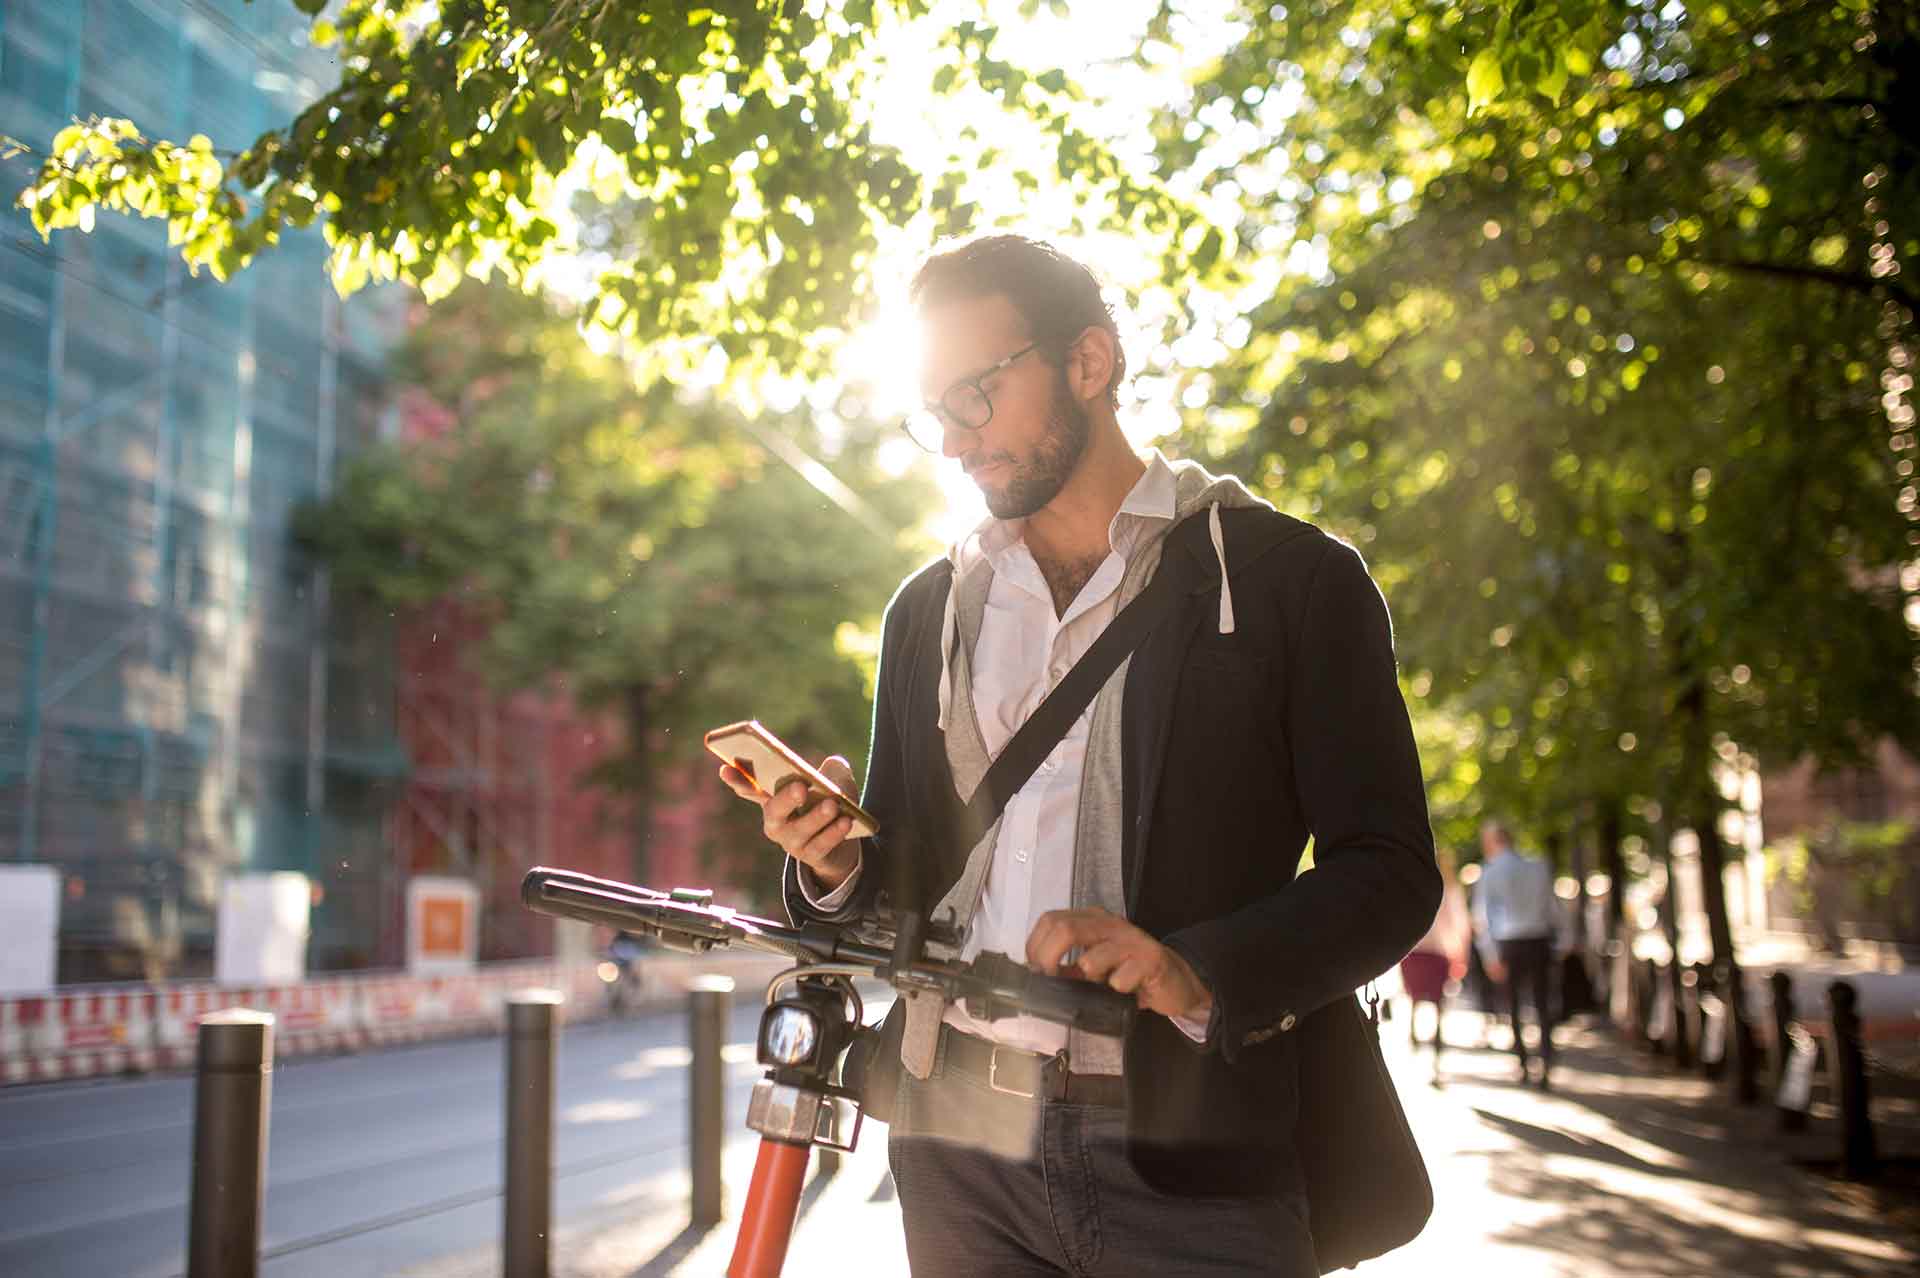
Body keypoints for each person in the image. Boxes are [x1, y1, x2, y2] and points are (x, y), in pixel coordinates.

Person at [720, 234, 1440, 1276]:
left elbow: (1390, 872)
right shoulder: (926, 610)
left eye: (976, 396)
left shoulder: (1292, 583)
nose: (957, 443)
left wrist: (1194, 968)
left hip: (1192, 1163)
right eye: (934, 413)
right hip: (955, 1149)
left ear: (1089, 364)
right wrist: (831, 862)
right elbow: (902, 888)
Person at [1471, 820, 1560, 1088]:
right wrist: (1563, 940)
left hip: (1509, 943)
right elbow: (1552, 907)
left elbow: (1482, 917)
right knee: (1542, 1003)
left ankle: (1523, 1062)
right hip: (1538, 940)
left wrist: (1490, 955)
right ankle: (1544, 1060)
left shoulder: (1489, 872)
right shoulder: (1538, 867)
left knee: (1514, 1005)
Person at [1397, 846, 1471, 1084]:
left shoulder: (1412, 885)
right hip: (1438, 953)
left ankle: (1415, 1042)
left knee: (1415, 1001)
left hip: (1416, 952)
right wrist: (1461, 955)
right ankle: (1435, 1060)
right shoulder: (1450, 890)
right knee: (1439, 1007)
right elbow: (1461, 925)